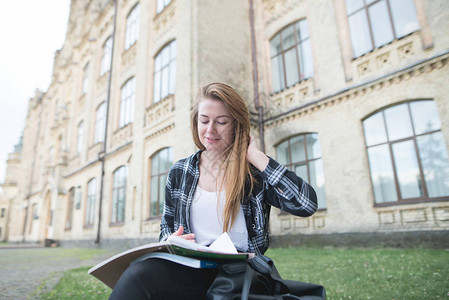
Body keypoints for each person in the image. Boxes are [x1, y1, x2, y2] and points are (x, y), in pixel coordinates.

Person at [109, 82, 318, 300]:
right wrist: (173, 239)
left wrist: (256, 156)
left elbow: (306, 204)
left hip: (241, 273)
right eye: (204, 120)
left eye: (222, 122)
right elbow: (166, 229)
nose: (210, 130)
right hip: (191, 268)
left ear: (237, 125)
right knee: (136, 275)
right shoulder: (180, 172)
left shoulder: (254, 173)